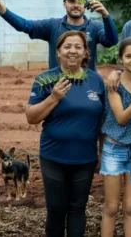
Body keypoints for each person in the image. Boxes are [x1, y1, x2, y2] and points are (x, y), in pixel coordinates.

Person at [25, 31, 106, 237]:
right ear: (58, 52)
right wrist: (53, 97)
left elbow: (102, 121)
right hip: (54, 157)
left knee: (78, 209)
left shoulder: (95, 80)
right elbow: (31, 117)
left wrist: (101, 152)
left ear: (85, 52)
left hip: (85, 158)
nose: (73, 51)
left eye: (78, 47)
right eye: (67, 46)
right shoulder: (46, 79)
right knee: (56, 210)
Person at [0, 0, 117, 71]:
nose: (76, 5)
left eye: (80, 1)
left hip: (87, 85)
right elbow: (24, 25)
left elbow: (111, 41)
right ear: (64, 4)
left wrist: (105, 15)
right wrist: (0, 7)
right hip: (57, 85)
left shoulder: (94, 27)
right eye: (71, 1)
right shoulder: (53, 26)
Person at [101, 38, 131, 237]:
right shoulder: (115, 84)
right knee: (112, 206)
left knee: (130, 206)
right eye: (128, 56)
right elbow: (121, 118)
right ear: (121, 60)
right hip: (114, 149)